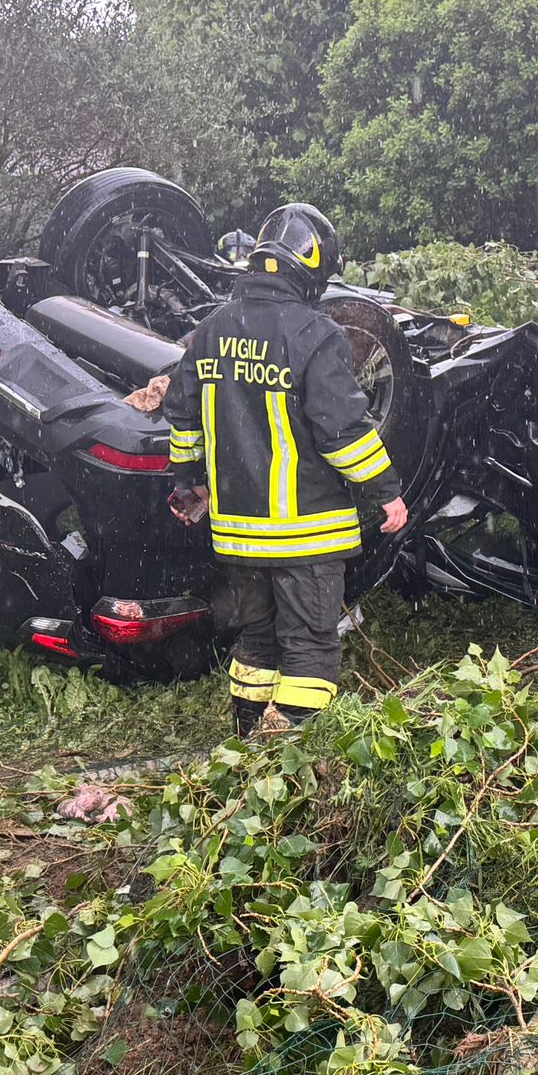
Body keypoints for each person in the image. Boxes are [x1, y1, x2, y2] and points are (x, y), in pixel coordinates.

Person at [163, 204, 409, 737]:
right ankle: (291, 756)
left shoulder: (210, 332)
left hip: (238, 536)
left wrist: (189, 481)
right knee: (310, 647)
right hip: (305, 534)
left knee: (257, 642)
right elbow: (342, 431)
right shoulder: (314, 335)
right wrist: (385, 492)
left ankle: (247, 742)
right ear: (313, 268)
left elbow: (182, 417)